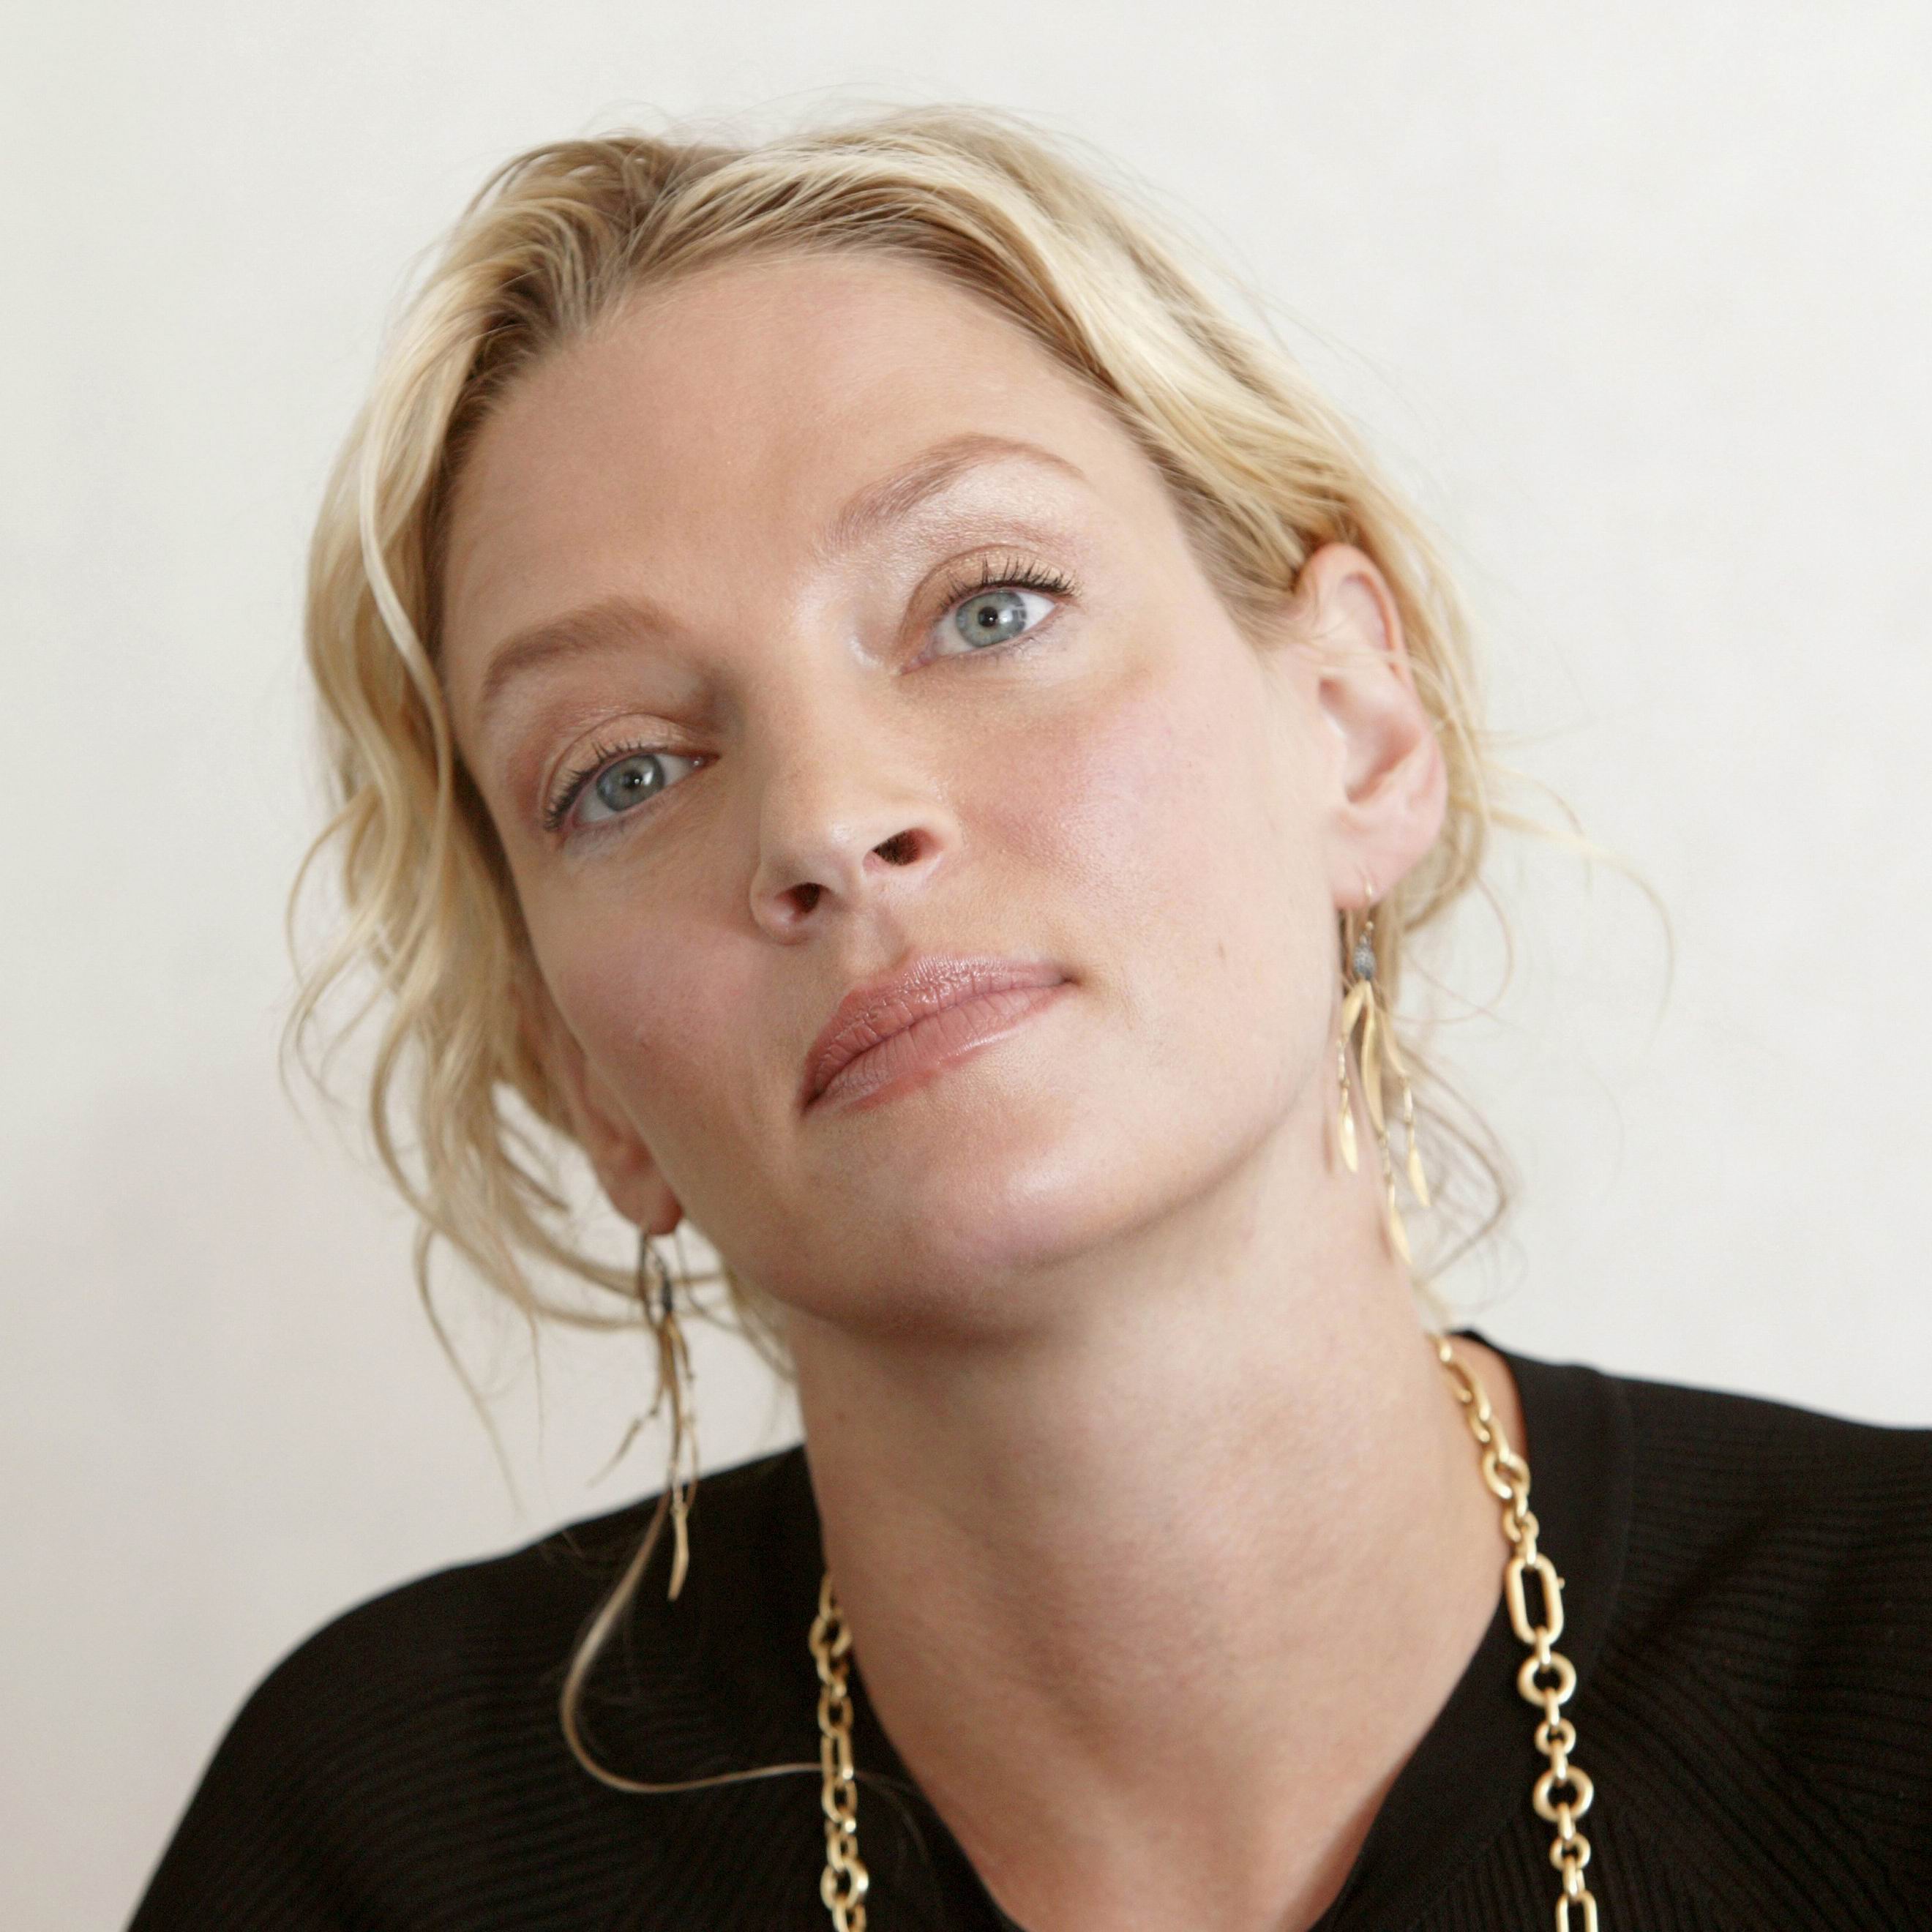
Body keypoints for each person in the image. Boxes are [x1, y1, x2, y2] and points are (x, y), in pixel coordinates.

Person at [130, 102, 1932, 1932]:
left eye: (988, 609)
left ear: (1354, 729)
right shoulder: (381, 1849)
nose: (827, 821)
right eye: (625, 774)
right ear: (580, 1074)